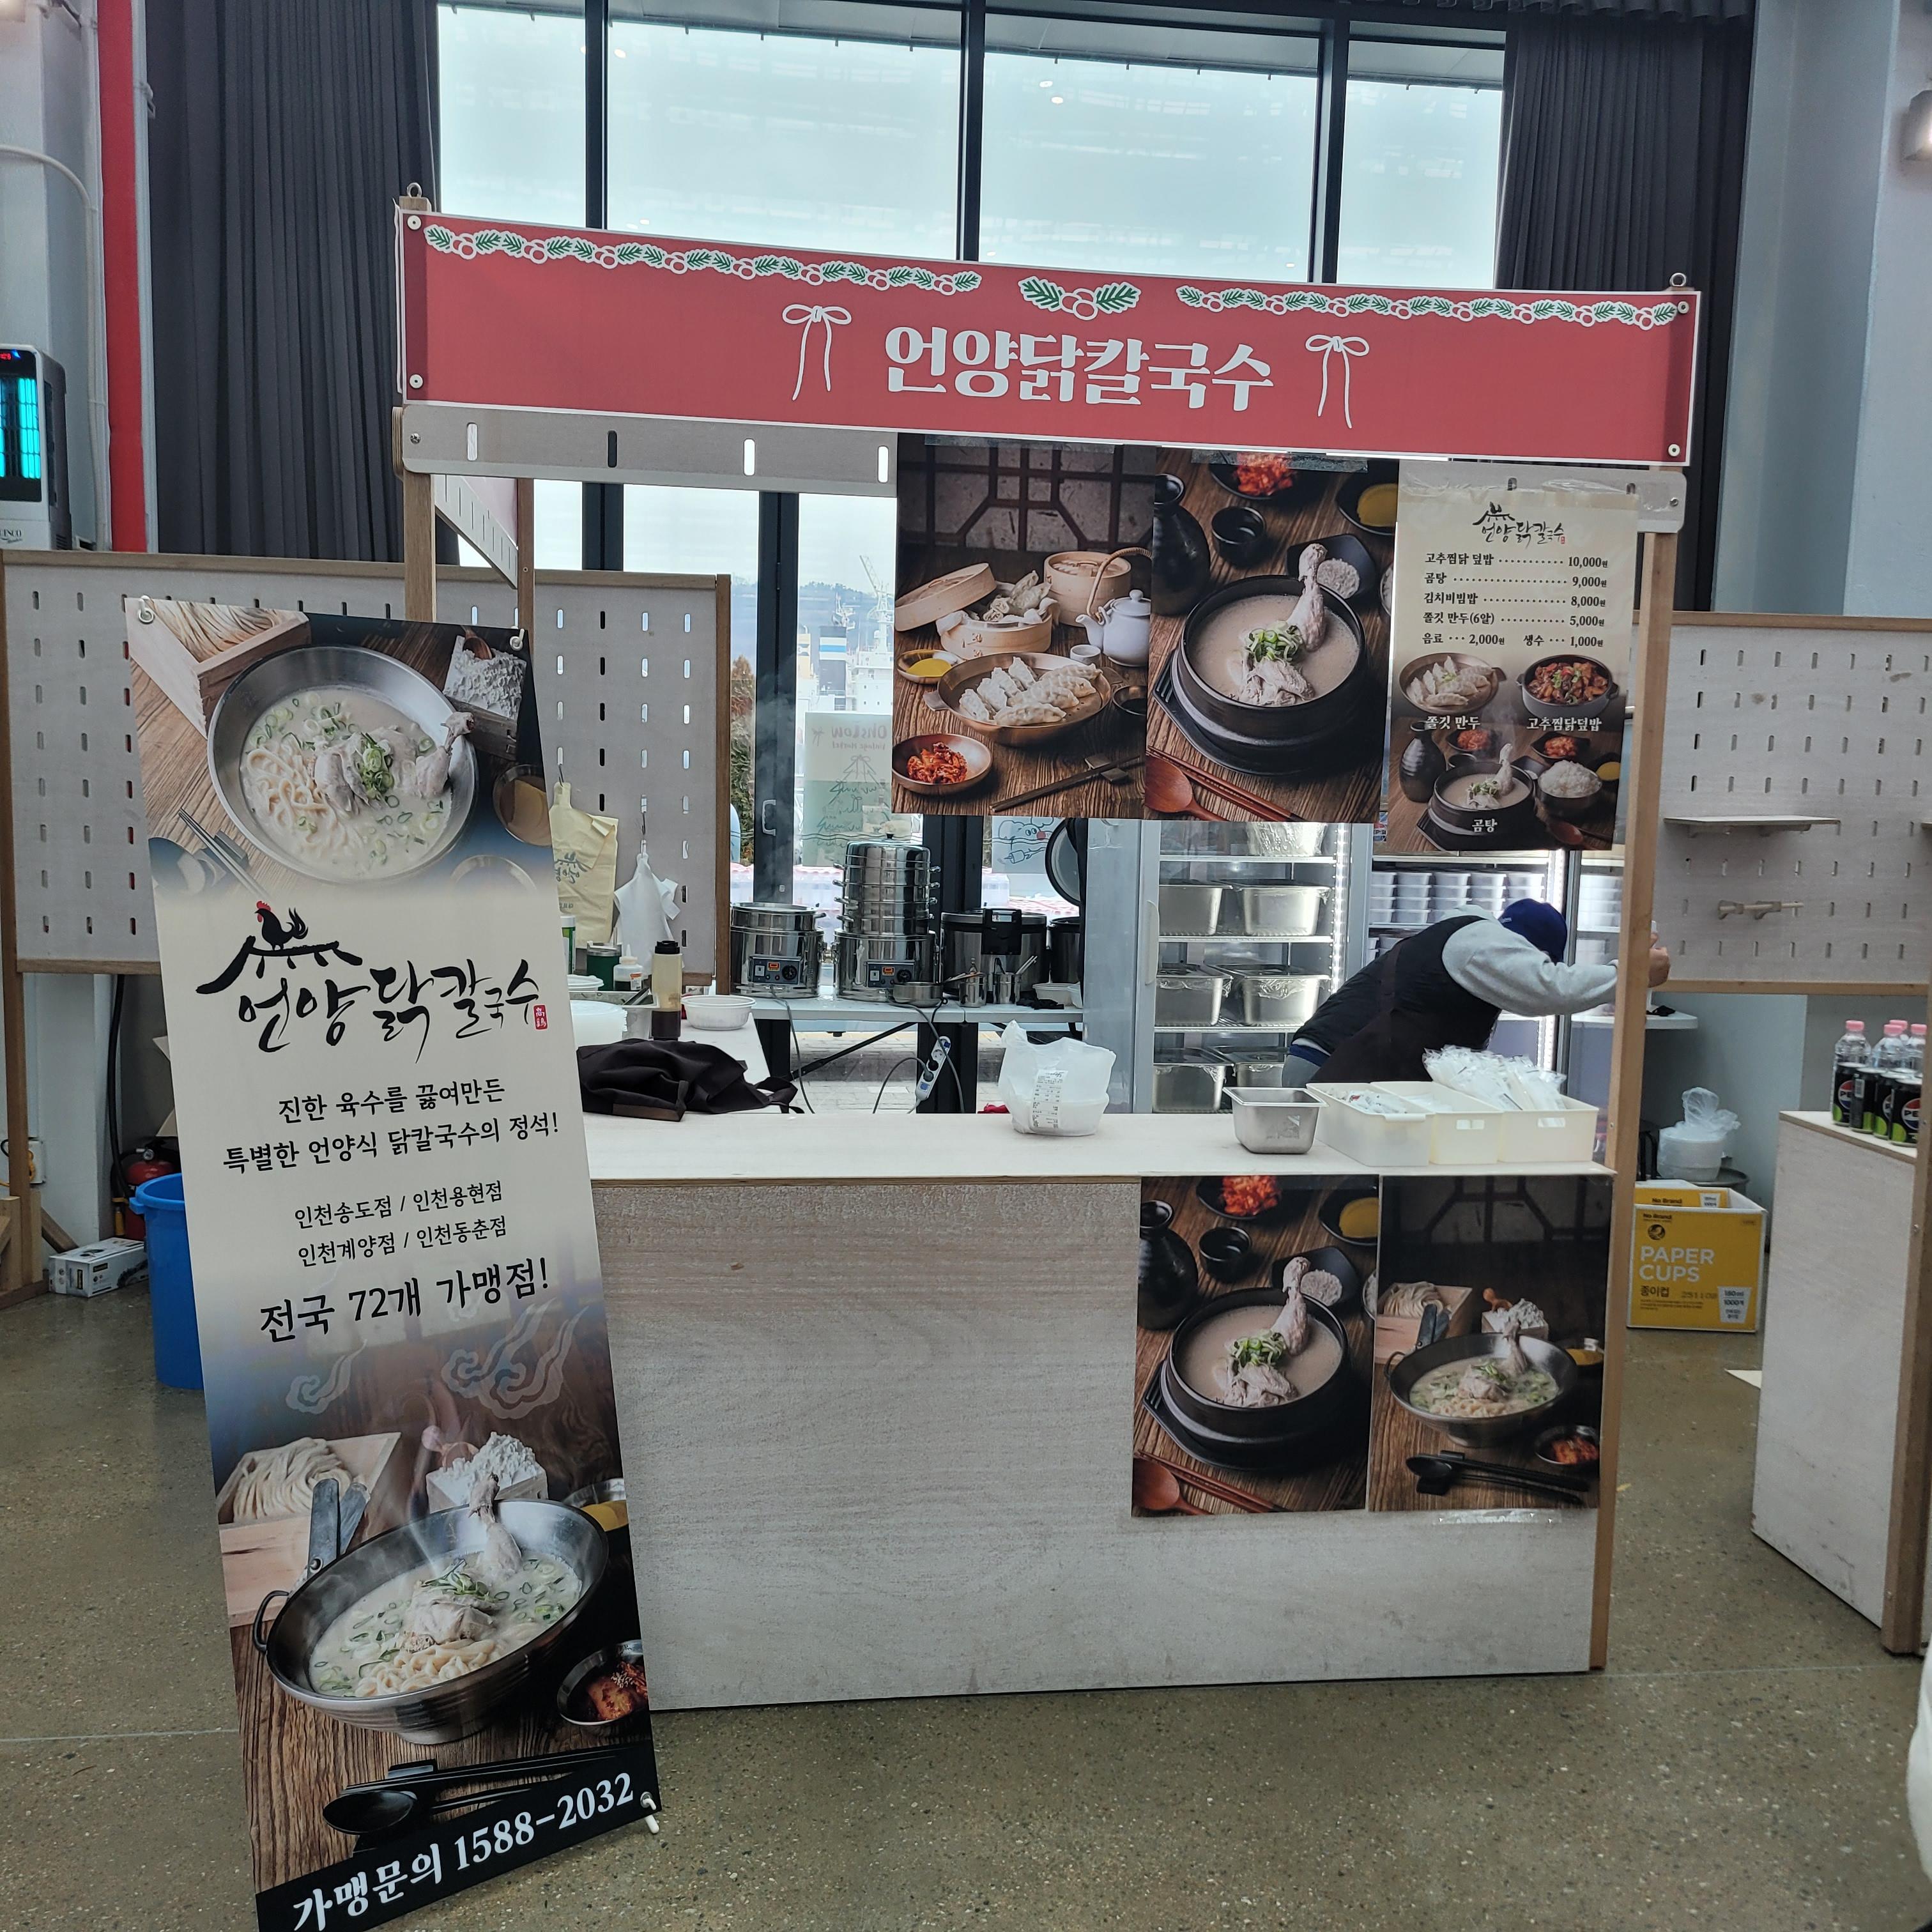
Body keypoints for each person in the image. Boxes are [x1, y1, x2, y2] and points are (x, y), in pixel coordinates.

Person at [1282, 898, 1671, 1087]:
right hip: (1332, 1069)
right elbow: (1553, 988)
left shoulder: (1464, 937)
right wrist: (1631, 972)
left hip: (1333, 1064)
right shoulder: (1483, 945)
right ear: (1525, 951)